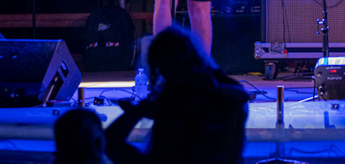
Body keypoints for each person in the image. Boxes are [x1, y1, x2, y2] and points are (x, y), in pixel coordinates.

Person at [104, 26, 249, 164]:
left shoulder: (216, 90)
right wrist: (135, 113)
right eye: (162, 67)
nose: (168, 73)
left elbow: (240, 98)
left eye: (172, 64)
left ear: (186, 58)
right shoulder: (170, 91)